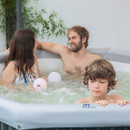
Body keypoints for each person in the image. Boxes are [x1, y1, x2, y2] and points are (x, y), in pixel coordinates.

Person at [37, 25, 101, 76]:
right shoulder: (64, 52)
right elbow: (39, 44)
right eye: (69, 38)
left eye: (74, 38)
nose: (70, 41)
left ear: (84, 39)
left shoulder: (94, 59)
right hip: (67, 88)